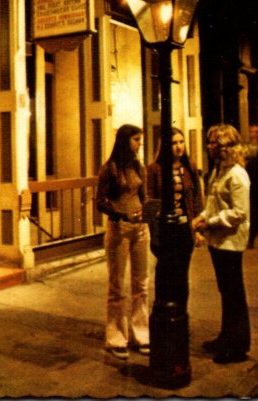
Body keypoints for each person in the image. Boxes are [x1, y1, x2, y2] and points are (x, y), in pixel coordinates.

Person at [192, 124, 251, 364]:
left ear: (227, 146)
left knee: (233, 293)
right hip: (218, 240)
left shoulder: (237, 174)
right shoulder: (219, 171)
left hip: (230, 241)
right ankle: (227, 337)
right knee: (226, 292)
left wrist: (210, 223)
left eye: (215, 143)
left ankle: (237, 345)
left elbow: (239, 213)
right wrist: (203, 216)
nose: (210, 146)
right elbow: (213, 201)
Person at [95, 124, 150, 360]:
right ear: (125, 141)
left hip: (140, 228)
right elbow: (100, 201)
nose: (139, 144)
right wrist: (121, 215)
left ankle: (142, 333)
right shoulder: (110, 169)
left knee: (142, 284)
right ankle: (116, 336)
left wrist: (145, 212)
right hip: (119, 228)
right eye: (136, 140)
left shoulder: (138, 166)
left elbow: (143, 195)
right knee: (117, 285)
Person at [147, 127, 205, 312]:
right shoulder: (155, 169)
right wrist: (154, 234)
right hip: (165, 230)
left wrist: (198, 230)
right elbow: (151, 201)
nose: (179, 147)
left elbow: (197, 199)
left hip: (184, 229)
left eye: (181, 142)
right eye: (173, 143)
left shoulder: (190, 167)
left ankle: (181, 312)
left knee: (182, 274)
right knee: (164, 273)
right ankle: (163, 314)